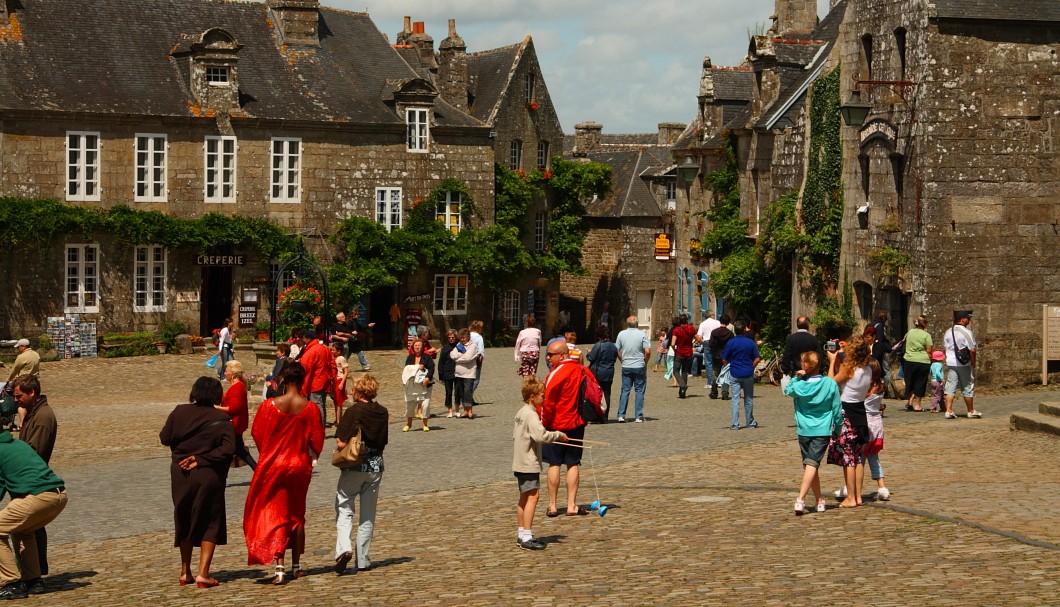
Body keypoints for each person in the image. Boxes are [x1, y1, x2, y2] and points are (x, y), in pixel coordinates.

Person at [243, 362, 325, 584]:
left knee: (275, 513)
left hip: (274, 464)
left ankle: (279, 566)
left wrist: (269, 452)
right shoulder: (310, 408)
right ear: (302, 380)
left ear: (282, 379)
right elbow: (317, 440)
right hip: (298, 465)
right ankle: (296, 565)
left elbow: (258, 433)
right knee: (297, 514)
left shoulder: (269, 406)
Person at [159, 376, 235, 589]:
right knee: (211, 520)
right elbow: (228, 450)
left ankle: (185, 571)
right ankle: (203, 573)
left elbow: (165, 438)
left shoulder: (179, 411)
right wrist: (201, 458)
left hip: (180, 474)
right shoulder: (222, 420)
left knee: (184, 517)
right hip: (209, 474)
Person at [0, 426, 68, 599]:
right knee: (23, 530)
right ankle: (33, 581)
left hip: (38, 497)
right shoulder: (18, 444)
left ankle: (11, 582)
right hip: (58, 495)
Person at [333, 374, 390, 574]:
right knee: (368, 514)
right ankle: (363, 559)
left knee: (344, 507)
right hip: (375, 467)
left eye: (353, 388)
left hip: (354, 466)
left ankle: (344, 549)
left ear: (359, 391)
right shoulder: (382, 412)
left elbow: (341, 442)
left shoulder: (354, 411)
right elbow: (383, 441)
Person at [10, 375, 56, 582]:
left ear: (32, 393)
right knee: (29, 526)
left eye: (19, 396)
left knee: (31, 527)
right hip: (26, 478)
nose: (16, 400)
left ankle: (35, 571)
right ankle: (33, 570)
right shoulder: (33, 413)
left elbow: (34, 453)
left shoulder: (43, 417)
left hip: (32, 480)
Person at [512, 377, 567, 550]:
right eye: (542, 396)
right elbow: (541, 436)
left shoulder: (521, 412)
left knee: (524, 497)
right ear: (532, 397)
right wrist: (558, 435)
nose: (544, 399)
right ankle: (527, 536)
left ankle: (522, 533)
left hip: (519, 461)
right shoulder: (531, 414)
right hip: (528, 462)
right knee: (532, 497)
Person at [784, 351, 841, 515]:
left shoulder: (799, 385)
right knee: (812, 465)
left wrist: (796, 377)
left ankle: (804, 499)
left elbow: (787, 390)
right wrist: (838, 428)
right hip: (822, 429)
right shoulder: (830, 384)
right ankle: (816, 499)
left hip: (804, 428)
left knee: (810, 464)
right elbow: (837, 409)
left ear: (804, 366)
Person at [540, 341, 589, 516]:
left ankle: (552, 505)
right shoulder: (582, 370)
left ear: (562, 355)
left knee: (554, 464)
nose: (547, 357)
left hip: (556, 424)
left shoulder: (556, 373)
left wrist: (542, 424)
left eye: (550, 354)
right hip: (576, 423)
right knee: (572, 463)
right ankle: (571, 505)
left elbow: (547, 403)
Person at [826, 336, 873, 508]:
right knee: (858, 458)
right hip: (861, 412)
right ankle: (858, 496)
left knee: (848, 459)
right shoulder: (868, 369)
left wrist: (832, 362)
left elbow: (830, 383)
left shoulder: (849, 368)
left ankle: (851, 498)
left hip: (846, 413)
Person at [217, 360, 257, 470]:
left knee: (235, 450)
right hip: (235, 424)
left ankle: (259, 471)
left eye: (226, 371)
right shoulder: (237, 386)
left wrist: (216, 408)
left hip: (234, 424)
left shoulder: (236, 387)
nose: (224, 373)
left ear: (233, 374)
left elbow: (234, 408)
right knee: (237, 450)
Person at [722, 320, 760, 430]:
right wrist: (751, 366)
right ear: (744, 330)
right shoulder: (750, 342)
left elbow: (724, 359)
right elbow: (757, 358)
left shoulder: (731, 342)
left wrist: (730, 364)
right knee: (748, 399)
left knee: (735, 399)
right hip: (748, 373)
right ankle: (750, 422)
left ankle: (735, 423)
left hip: (735, 373)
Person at [943, 311, 980, 419]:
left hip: (951, 362)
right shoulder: (967, 332)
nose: (969, 320)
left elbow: (945, 348)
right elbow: (972, 350)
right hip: (963, 364)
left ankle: (948, 410)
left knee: (950, 386)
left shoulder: (948, 332)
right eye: (968, 318)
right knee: (967, 386)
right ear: (963, 319)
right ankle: (970, 410)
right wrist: (973, 362)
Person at [299, 325, 336, 429]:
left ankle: (319, 428)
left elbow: (305, 368)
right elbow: (332, 363)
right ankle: (320, 427)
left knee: (317, 405)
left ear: (308, 338)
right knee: (321, 405)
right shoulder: (324, 348)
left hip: (316, 382)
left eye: (304, 338)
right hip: (324, 381)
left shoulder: (312, 351)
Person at [615, 316, 650, 423]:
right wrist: (645, 362)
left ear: (627, 324)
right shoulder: (642, 334)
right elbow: (647, 351)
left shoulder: (621, 334)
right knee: (639, 391)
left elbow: (616, 349)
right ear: (637, 324)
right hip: (639, 365)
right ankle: (638, 416)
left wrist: (622, 360)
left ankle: (621, 415)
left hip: (626, 365)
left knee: (625, 390)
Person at [586, 324, 618, 422]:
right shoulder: (613, 346)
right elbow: (614, 357)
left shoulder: (598, 345)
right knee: (607, 394)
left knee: (597, 394)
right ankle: (605, 417)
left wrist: (588, 352)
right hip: (609, 372)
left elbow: (591, 358)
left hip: (598, 373)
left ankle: (597, 416)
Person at [901, 315, 933, 412]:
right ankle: (917, 404)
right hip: (923, 361)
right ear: (925, 324)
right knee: (920, 382)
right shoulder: (926, 335)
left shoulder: (909, 332)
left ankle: (909, 401)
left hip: (909, 360)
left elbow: (904, 342)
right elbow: (929, 350)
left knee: (910, 381)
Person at [402, 339, 434, 432]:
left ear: (422, 347)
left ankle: (425, 424)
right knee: (410, 405)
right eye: (416, 345)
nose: (417, 347)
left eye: (419, 345)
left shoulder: (427, 357)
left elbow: (431, 369)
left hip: (425, 385)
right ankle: (409, 424)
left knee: (425, 405)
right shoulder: (410, 358)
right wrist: (416, 367)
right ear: (413, 347)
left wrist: (427, 378)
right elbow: (407, 369)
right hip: (413, 385)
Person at [780, 316, 820, 388]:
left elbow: (787, 355)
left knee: (797, 392)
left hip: (796, 372)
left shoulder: (791, 338)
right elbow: (819, 356)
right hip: (810, 372)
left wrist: (785, 369)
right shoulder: (813, 339)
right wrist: (819, 370)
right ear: (807, 325)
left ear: (797, 325)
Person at [669, 314, 700, 399]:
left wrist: (675, 349)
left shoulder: (677, 330)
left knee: (675, 370)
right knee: (685, 371)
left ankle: (682, 386)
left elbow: (672, 343)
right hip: (689, 353)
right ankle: (682, 393)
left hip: (680, 352)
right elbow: (697, 339)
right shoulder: (691, 329)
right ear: (687, 320)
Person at [450, 328, 478, 418]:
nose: (462, 339)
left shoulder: (472, 346)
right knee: (461, 392)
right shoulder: (458, 345)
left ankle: (470, 411)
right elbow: (452, 355)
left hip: (469, 373)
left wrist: (457, 359)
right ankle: (465, 410)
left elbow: (468, 358)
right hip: (458, 373)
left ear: (468, 337)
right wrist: (460, 355)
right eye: (461, 338)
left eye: (464, 338)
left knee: (467, 392)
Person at [709, 315, 734, 400]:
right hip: (726, 356)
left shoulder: (714, 332)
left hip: (716, 355)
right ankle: (725, 393)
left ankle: (713, 392)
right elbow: (731, 346)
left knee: (715, 373)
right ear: (728, 323)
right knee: (726, 374)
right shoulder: (730, 333)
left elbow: (711, 344)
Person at [438, 329, 461, 417]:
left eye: (453, 337)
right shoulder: (445, 348)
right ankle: (450, 410)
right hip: (448, 373)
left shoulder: (459, 346)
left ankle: (457, 410)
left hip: (458, 372)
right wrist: (441, 375)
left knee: (458, 391)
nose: (451, 339)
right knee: (448, 392)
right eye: (449, 337)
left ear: (456, 337)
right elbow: (441, 362)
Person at [694, 312, 721, 386]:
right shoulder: (717, 322)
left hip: (707, 342)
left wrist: (703, 342)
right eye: (713, 315)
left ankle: (710, 382)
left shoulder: (703, 324)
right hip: (716, 342)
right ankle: (718, 381)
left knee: (708, 363)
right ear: (711, 315)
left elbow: (698, 337)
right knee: (717, 361)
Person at [330, 341, 349, 425]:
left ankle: (339, 420)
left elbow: (346, 371)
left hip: (339, 379)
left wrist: (342, 383)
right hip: (334, 380)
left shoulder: (341, 358)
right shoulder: (333, 358)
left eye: (333, 350)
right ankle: (337, 418)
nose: (332, 351)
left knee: (339, 401)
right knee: (335, 400)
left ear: (339, 351)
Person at [469, 320, 486, 404]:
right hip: (476, 359)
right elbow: (481, 350)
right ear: (479, 328)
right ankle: (467, 395)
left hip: (468, 359)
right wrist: (482, 358)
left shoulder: (468, 335)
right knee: (476, 380)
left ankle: (470, 398)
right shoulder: (479, 337)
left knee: (469, 378)